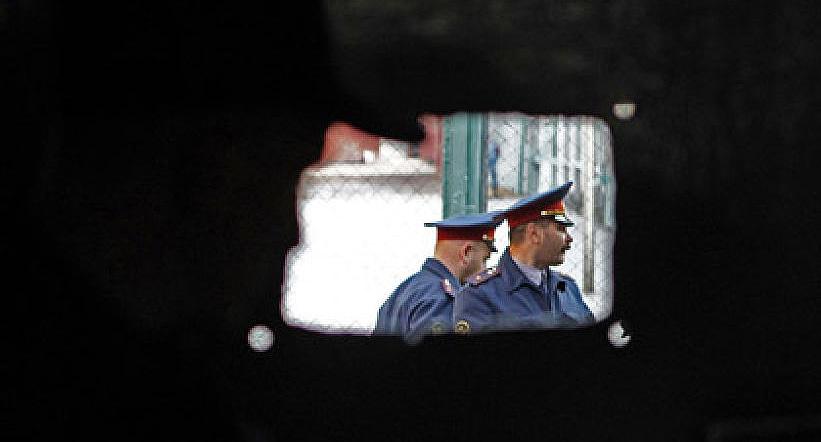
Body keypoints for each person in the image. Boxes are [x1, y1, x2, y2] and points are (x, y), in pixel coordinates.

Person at [452, 181, 595, 334]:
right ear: (534, 234)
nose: (569, 238)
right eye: (561, 229)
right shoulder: (478, 296)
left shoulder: (567, 288)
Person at [374, 211, 503, 343]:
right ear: (466, 253)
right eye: (484, 259)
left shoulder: (405, 289)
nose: (484, 269)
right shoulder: (444, 300)